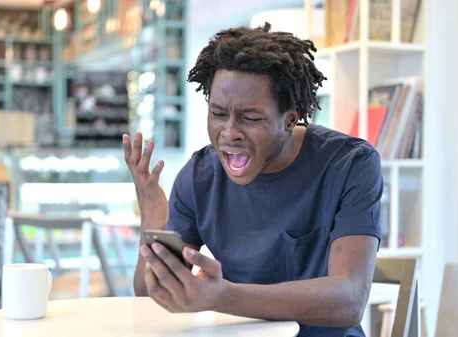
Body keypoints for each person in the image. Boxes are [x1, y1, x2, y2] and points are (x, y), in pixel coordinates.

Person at [123, 22, 383, 337]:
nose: (229, 133)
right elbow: (150, 296)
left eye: (250, 118)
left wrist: (223, 295)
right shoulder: (199, 176)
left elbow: (350, 301)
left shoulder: (350, 165)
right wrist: (152, 217)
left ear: (289, 118)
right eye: (219, 114)